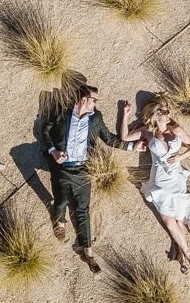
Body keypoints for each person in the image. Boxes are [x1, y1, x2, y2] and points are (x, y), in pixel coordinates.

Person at [40, 83, 143, 273]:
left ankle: (88, 250)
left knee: (82, 209)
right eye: (94, 100)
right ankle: (60, 221)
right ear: (84, 99)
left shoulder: (96, 118)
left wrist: (132, 147)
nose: (96, 104)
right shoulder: (62, 112)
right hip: (61, 167)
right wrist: (53, 151)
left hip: (83, 170)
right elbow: (45, 131)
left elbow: (109, 139)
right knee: (61, 201)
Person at [121, 94, 190, 274]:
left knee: (177, 218)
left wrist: (180, 156)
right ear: (156, 114)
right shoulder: (147, 131)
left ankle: (183, 255)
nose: (169, 114)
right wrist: (125, 115)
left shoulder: (174, 128)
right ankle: (187, 252)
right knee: (170, 222)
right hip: (160, 178)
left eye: (169, 111)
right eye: (165, 111)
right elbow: (124, 137)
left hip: (176, 176)